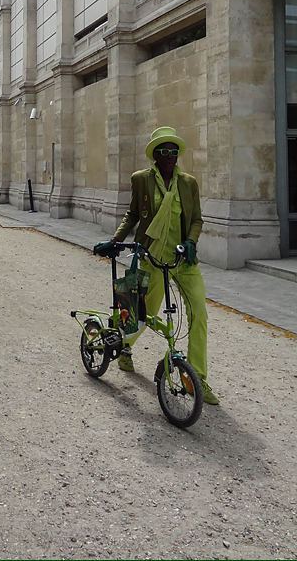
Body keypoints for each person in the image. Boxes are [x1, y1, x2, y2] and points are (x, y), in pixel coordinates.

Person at [99, 125, 219, 405]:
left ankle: (197, 377)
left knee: (199, 313)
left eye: (174, 151)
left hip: (182, 259)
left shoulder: (189, 183)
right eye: (164, 151)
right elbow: (132, 215)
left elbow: (197, 219)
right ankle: (124, 347)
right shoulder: (141, 179)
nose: (169, 156)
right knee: (142, 312)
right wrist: (115, 240)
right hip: (151, 257)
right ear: (155, 154)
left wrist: (191, 241)